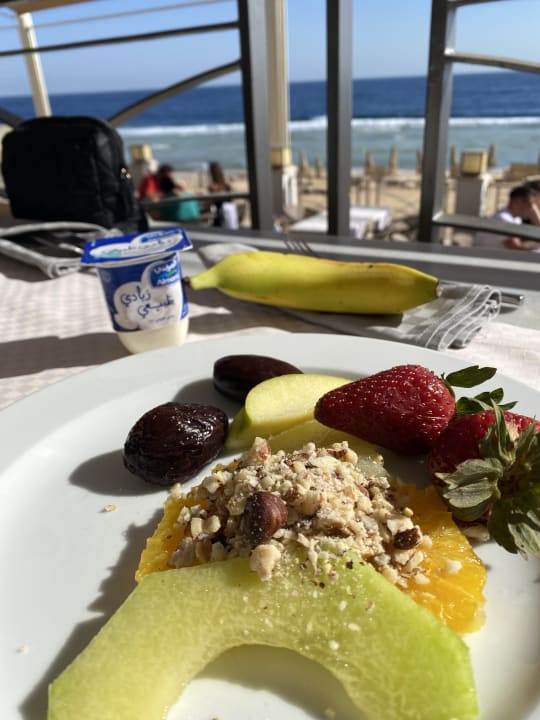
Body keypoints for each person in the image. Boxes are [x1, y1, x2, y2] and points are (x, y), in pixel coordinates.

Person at [474, 185, 540, 250]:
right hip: (482, 256)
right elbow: (517, 248)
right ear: (518, 201)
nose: (532, 208)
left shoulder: (516, 219)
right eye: (530, 204)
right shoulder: (503, 219)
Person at [207, 161, 239, 229]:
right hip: (230, 215)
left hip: (219, 217)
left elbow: (209, 204)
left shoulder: (212, 187)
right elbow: (232, 199)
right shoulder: (227, 185)